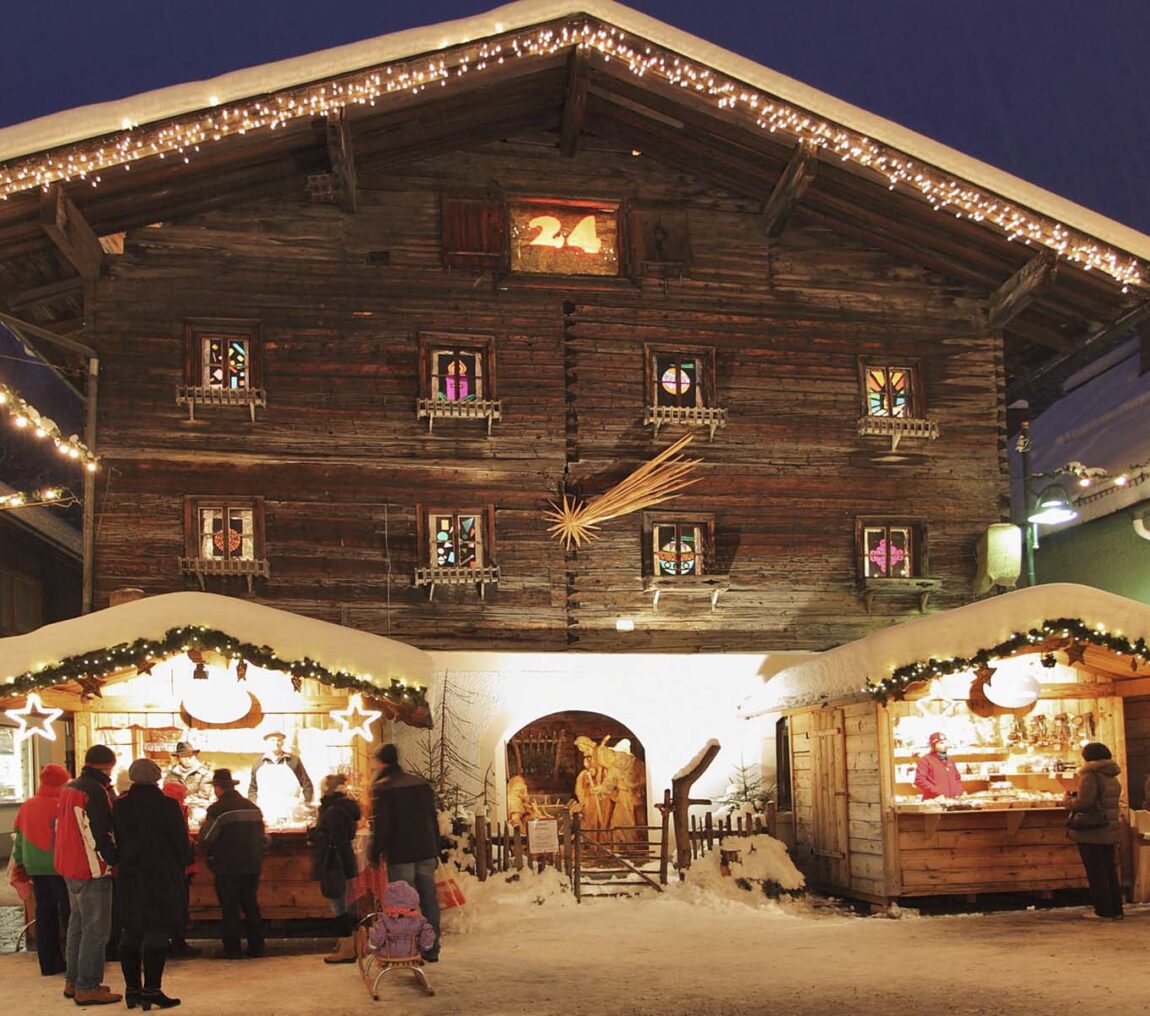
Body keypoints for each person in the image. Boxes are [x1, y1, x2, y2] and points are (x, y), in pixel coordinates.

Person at [113, 759, 192, 1010]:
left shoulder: (120, 805)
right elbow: (180, 843)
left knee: (131, 930)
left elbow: (116, 837)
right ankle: (152, 990)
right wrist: (183, 862)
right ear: (158, 778)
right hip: (161, 874)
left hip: (130, 874)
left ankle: (132, 990)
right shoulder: (168, 804)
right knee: (157, 929)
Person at [55, 744, 121, 1006]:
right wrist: (113, 858)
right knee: (96, 931)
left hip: (69, 864)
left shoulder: (71, 786)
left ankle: (73, 981)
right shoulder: (95, 791)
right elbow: (99, 831)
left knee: (78, 926)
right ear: (109, 765)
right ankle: (87, 986)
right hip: (91, 868)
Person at [369, 744, 441, 962]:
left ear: (381, 761)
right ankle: (431, 947)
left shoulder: (384, 788)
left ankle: (404, 950)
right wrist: (435, 847)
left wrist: (375, 851)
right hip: (426, 850)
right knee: (428, 898)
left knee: (402, 903)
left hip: (401, 853)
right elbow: (432, 817)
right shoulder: (420, 784)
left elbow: (383, 826)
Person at [199, 769, 267, 959]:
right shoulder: (252, 807)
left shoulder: (217, 809)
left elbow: (207, 836)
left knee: (230, 907)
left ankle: (232, 948)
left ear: (217, 788)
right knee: (251, 904)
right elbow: (264, 838)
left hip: (227, 865)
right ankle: (257, 946)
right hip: (252, 863)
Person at [12, 763, 71, 977]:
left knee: (44, 914)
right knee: (68, 914)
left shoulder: (27, 806)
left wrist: (20, 864)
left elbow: (19, 839)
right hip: (60, 865)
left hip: (35, 867)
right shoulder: (61, 805)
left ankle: (48, 963)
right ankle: (69, 961)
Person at [1064, 741, 1124, 920]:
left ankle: (1103, 911)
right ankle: (1116, 909)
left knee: (1096, 871)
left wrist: (1067, 800)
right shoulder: (1111, 774)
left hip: (1092, 831)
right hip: (1109, 828)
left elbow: (1085, 802)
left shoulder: (1090, 775)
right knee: (1109, 870)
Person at [311, 773, 361, 964]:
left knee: (338, 903)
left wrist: (315, 835)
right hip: (344, 858)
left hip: (334, 860)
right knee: (347, 902)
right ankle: (351, 945)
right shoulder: (345, 807)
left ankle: (347, 949)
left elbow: (332, 837)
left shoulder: (332, 810)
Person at [160, 783, 201, 958]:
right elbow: (182, 838)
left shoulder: (162, 808)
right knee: (179, 905)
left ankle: (166, 941)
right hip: (180, 867)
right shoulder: (177, 809)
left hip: (164, 867)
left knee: (165, 906)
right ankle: (179, 943)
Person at [248, 732, 314, 820]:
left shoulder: (293, 760)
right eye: (272, 740)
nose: (276, 743)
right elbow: (253, 787)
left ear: (283, 742)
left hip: (290, 809)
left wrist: (306, 803)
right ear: (266, 742)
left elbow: (307, 784)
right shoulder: (258, 762)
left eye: (279, 740)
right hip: (266, 810)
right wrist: (254, 805)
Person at [914, 732, 964, 800]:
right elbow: (919, 780)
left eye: (946, 742)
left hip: (952, 801)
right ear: (933, 745)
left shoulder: (950, 760)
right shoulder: (925, 760)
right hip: (934, 801)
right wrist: (938, 792)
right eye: (941, 743)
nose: (945, 745)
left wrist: (958, 792)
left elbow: (957, 778)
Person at [165, 743, 213, 811]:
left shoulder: (204, 773)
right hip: (174, 808)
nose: (187, 759)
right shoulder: (172, 774)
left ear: (195, 756)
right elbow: (166, 792)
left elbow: (204, 795)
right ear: (178, 758)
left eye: (190, 756)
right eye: (183, 756)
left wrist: (186, 800)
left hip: (196, 809)